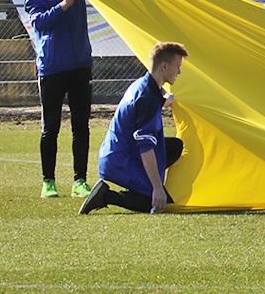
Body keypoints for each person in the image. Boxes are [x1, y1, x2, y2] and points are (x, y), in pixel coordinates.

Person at [79, 42, 189, 214]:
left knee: (175, 146)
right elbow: (145, 147)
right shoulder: (147, 98)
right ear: (164, 66)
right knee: (157, 203)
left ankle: (143, 185)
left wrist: (166, 99)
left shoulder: (146, 86)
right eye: (178, 67)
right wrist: (157, 187)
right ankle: (106, 195)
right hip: (121, 159)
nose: (179, 72)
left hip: (120, 151)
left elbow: (152, 102)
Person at [24, 0, 93, 199]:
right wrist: (63, 5)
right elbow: (38, 23)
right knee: (50, 126)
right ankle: (48, 182)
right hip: (52, 68)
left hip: (80, 66)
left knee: (81, 126)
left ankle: (80, 181)